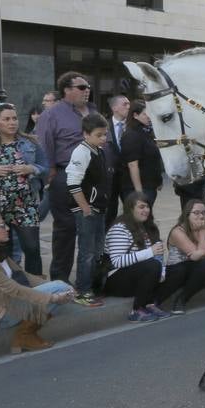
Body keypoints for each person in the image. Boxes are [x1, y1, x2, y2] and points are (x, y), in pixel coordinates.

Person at [0, 211, 76, 353]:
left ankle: (25, 336)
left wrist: (57, 290)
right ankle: (23, 336)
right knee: (59, 289)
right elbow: (13, 289)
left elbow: (25, 277)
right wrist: (53, 295)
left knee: (62, 289)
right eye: (2, 226)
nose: (7, 229)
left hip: (7, 303)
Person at [0, 102, 47, 275]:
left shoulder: (31, 143)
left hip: (25, 205)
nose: (12, 122)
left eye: (14, 118)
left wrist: (31, 169)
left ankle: (36, 290)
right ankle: (7, 287)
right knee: (1, 251)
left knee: (32, 248)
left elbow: (45, 167)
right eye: (6, 119)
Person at [33, 71, 92, 285]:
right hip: (66, 176)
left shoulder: (93, 111)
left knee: (92, 231)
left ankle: (88, 281)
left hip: (95, 178)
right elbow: (43, 147)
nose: (87, 90)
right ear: (67, 90)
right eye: (82, 87)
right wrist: (52, 177)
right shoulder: (52, 114)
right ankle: (60, 282)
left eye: (88, 87)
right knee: (66, 231)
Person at [65, 112, 111, 306]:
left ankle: (91, 286)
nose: (103, 138)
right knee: (87, 251)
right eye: (99, 135)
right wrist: (85, 208)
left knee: (97, 249)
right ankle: (82, 290)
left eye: (105, 134)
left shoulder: (97, 150)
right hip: (87, 210)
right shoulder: (81, 152)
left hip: (98, 208)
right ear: (86, 134)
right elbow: (73, 183)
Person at [103, 191, 170, 322]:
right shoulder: (120, 228)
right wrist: (150, 252)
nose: (146, 210)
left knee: (169, 269)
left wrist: (161, 271)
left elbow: (157, 257)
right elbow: (117, 261)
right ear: (130, 208)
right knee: (152, 265)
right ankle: (137, 310)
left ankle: (150, 304)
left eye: (148, 207)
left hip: (136, 276)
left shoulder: (148, 227)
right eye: (141, 207)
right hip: (114, 281)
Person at [119, 99, 163, 208]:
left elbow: (154, 158)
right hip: (137, 188)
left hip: (150, 185)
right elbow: (132, 164)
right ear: (135, 115)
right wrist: (139, 192)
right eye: (145, 114)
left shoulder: (146, 131)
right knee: (138, 220)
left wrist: (158, 180)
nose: (149, 117)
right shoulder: (131, 135)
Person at [104, 94, 130, 228]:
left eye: (129, 104)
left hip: (129, 176)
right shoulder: (104, 126)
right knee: (109, 212)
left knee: (132, 211)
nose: (128, 107)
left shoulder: (133, 126)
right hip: (111, 177)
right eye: (125, 104)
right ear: (114, 108)